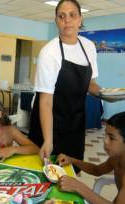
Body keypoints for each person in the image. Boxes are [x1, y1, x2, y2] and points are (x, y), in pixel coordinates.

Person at [28, 0, 102, 174]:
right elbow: (45, 102)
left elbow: (90, 83)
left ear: (80, 19)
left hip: (75, 122)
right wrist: (48, 140)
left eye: (72, 15)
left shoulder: (89, 47)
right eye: (61, 16)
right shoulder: (49, 52)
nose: (67, 20)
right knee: (46, 173)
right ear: (56, 21)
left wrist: (107, 94)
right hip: (49, 122)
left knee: (71, 172)